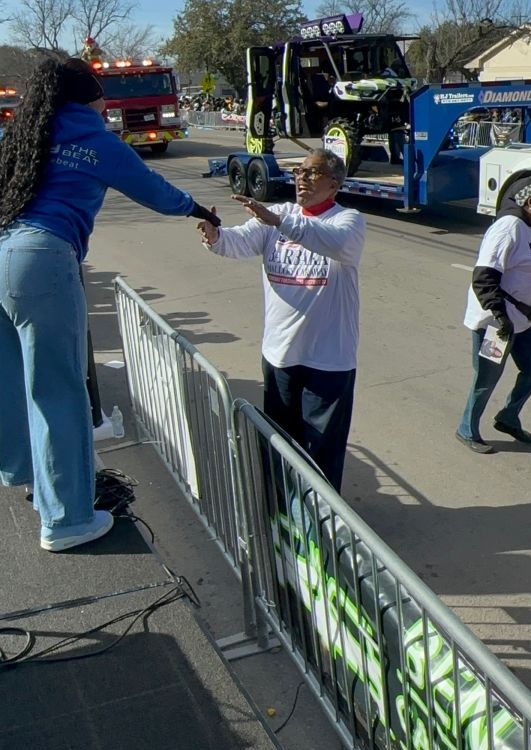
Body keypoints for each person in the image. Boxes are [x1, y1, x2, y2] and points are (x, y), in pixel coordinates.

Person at [0, 57, 220, 552]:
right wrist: (200, 208)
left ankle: (35, 480)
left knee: (14, 384)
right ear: (88, 98)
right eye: (102, 93)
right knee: (60, 392)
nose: (107, 103)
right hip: (43, 262)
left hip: (2, 253)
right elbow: (157, 193)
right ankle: (68, 521)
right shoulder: (96, 142)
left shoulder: (22, 137)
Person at [197, 149, 365, 492]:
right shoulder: (278, 215)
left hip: (329, 361)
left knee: (321, 454)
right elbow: (240, 240)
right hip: (281, 357)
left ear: (333, 184)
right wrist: (216, 237)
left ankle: (321, 527)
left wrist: (279, 222)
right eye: (299, 171)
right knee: (279, 446)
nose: (301, 178)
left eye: (312, 173)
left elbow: (333, 243)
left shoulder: (347, 220)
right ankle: (282, 516)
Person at [456, 175, 531, 454]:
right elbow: (483, 277)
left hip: (525, 321)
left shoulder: (530, 229)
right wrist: (500, 317)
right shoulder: (508, 228)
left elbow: (527, 273)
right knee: (487, 377)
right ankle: (467, 428)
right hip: (496, 323)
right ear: (530, 202)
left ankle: (508, 417)